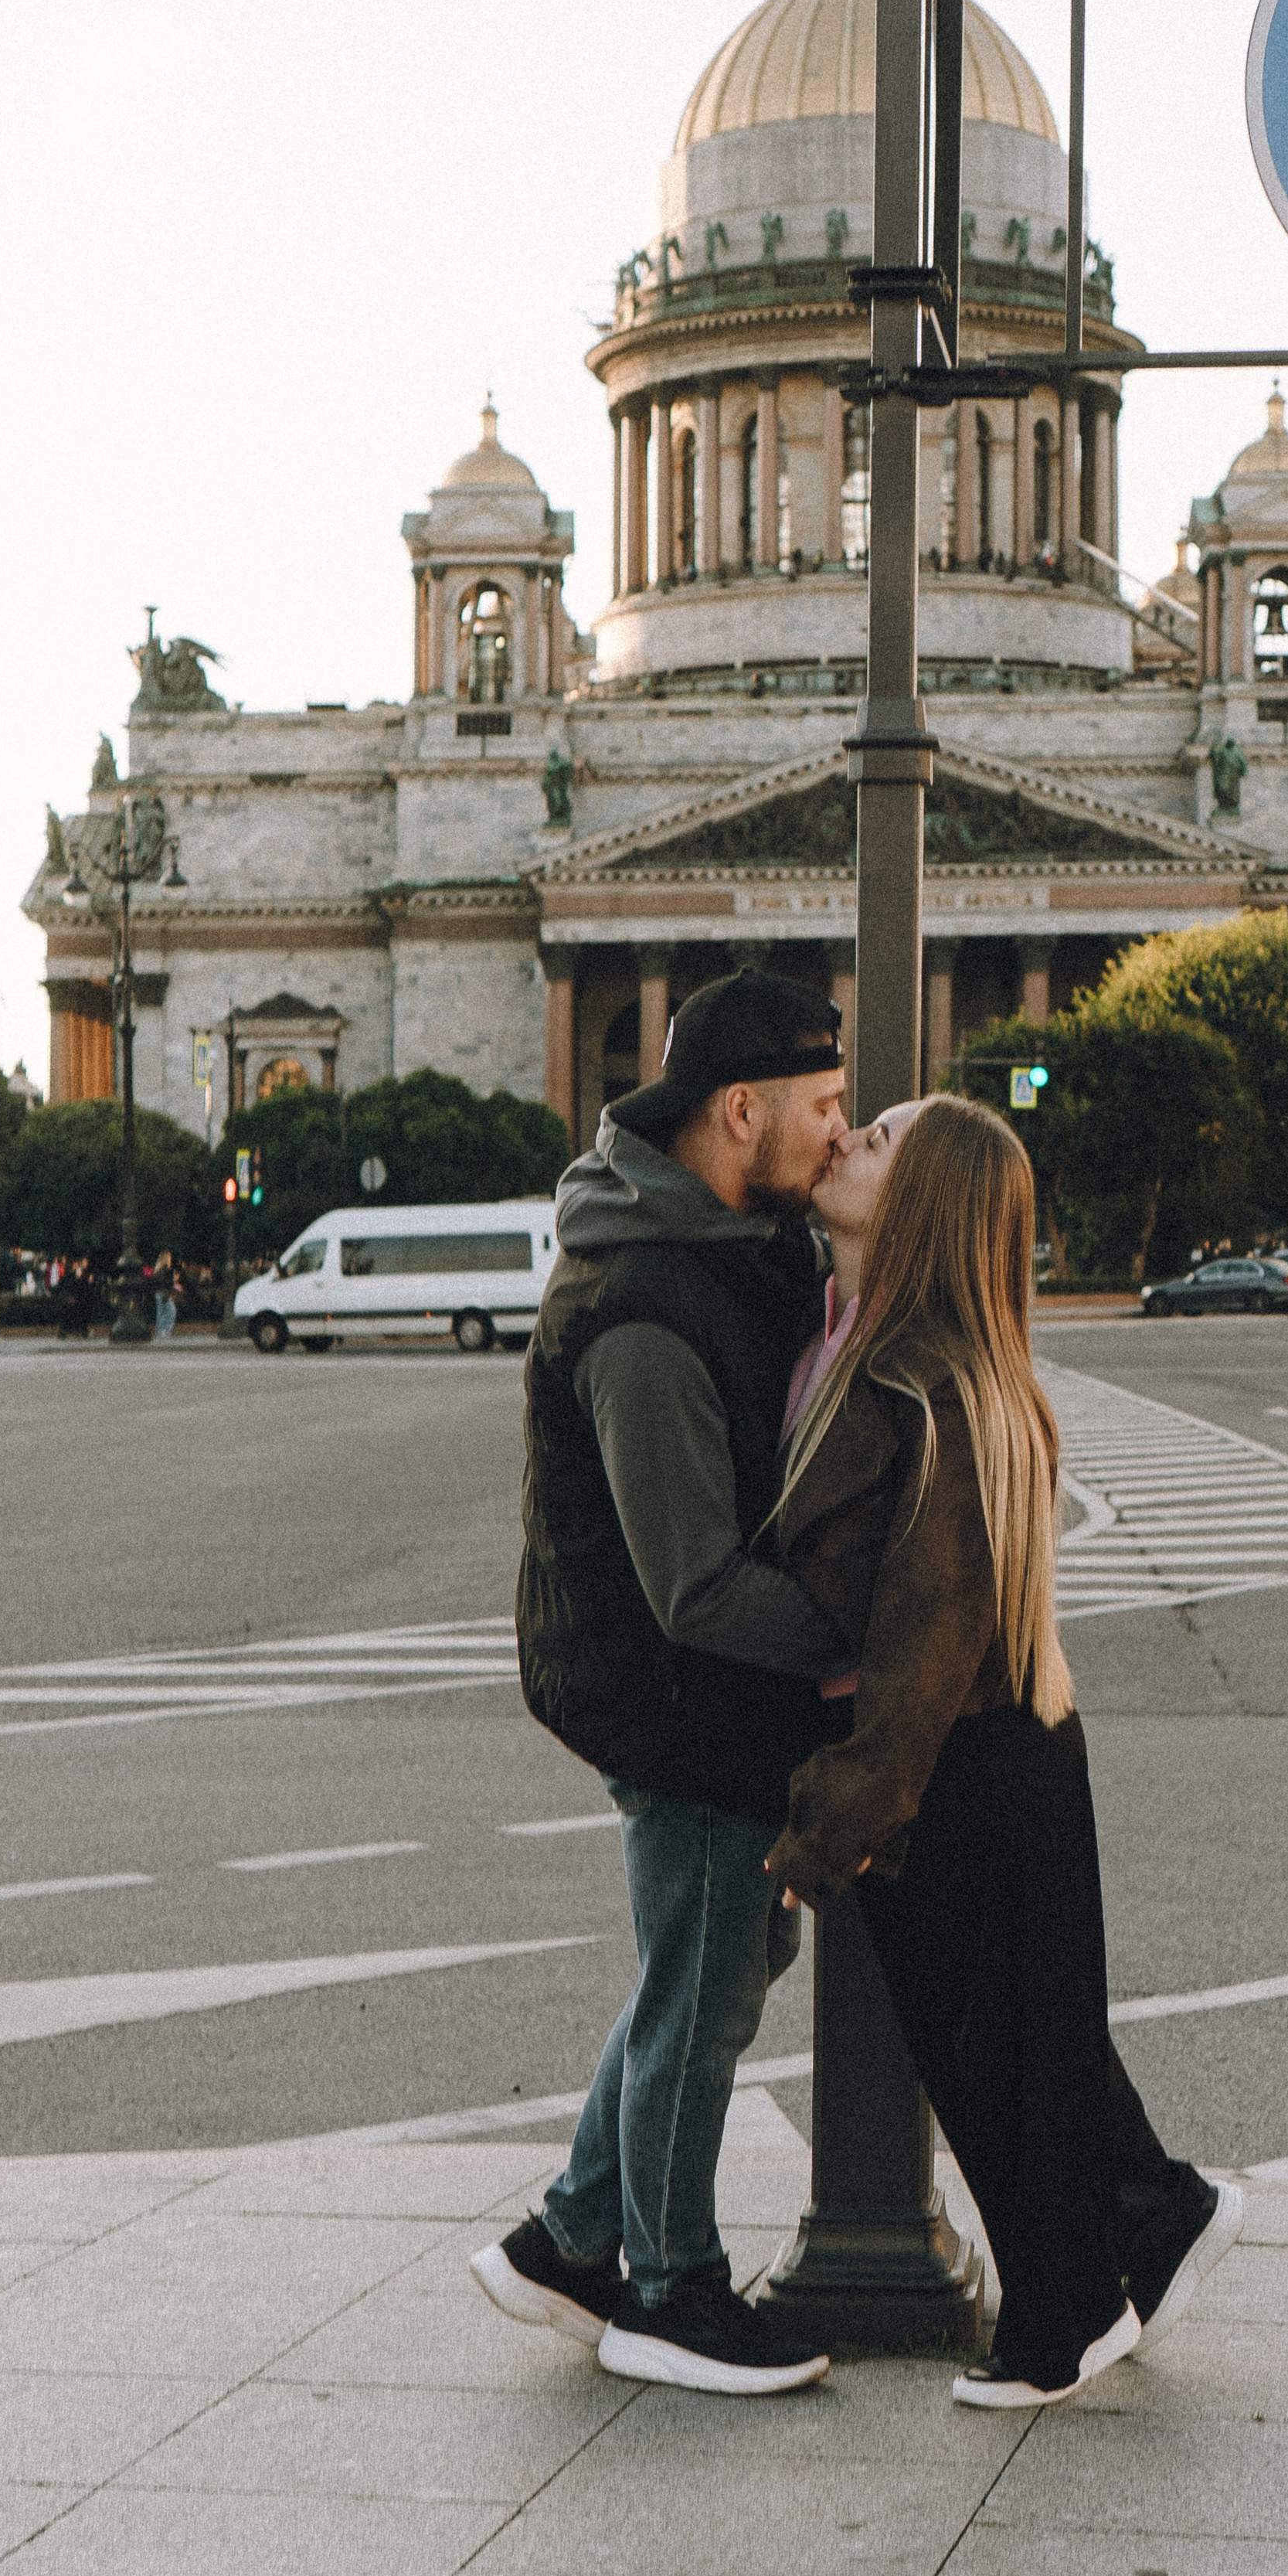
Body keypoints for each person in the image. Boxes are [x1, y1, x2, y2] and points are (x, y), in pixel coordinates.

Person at [766, 1096, 1242, 2407]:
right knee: (1018, 2043)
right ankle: (1134, 2241)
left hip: (964, 1751)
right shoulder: (859, 1347)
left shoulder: (930, 1386)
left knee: (1000, 2054)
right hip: (968, 1752)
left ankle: (1075, 2306)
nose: (849, 1139)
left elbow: (921, 1642)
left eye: (880, 1141)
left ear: (926, 1201)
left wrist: (831, 1820)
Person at [477, 968, 854, 2398]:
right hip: (673, 1696)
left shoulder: (722, 1244)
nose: (839, 1133)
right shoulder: (642, 1304)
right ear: (739, 1112)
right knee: (704, 1986)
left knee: (717, 1962)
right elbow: (692, 1586)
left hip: (695, 1687)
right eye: (821, 1111)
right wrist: (855, 1640)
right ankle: (669, 2286)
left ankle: (573, 2236)